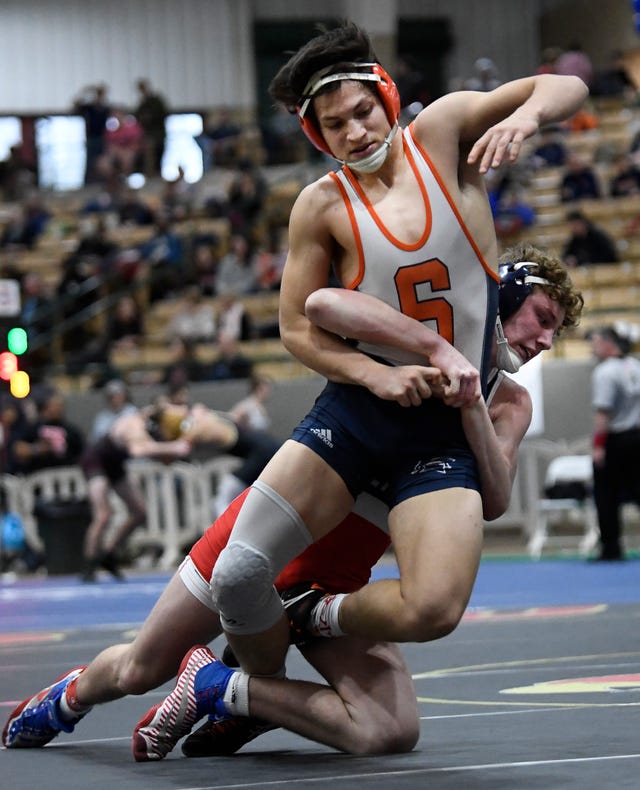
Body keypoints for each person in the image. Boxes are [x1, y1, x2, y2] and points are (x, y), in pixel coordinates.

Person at [1, 243, 583, 759]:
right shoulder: (415, 335)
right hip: (271, 533)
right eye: (543, 319)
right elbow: (320, 307)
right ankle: (67, 699)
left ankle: (229, 693)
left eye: (556, 332)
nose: (545, 341)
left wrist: (471, 402)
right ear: (504, 293)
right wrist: (427, 352)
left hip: (335, 580)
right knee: (140, 668)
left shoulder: (508, 401)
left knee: (389, 730)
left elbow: (496, 498)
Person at [204, 20, 588, 678]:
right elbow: (300, 324)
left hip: (431, 447)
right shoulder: (320, 204)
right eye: (335, 125)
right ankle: (94, 694)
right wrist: (370, 375)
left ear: (385, 96)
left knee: (430, 618)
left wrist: (525, 118)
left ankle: (260, 672)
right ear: (315, 136)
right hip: (360, 419)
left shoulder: (440, 133)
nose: (356, 132)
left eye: (363, 112)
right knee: (195, 612)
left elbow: (567, 84)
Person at [79, 407, 193, 582]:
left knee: (140, 512)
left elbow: (161, 456)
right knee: (104, 515)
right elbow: (137, 451)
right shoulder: (134, 424)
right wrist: (174, 447)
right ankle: (90, 563)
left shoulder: (148, 429)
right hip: (96, 461)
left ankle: (108, 554)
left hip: (115, 464)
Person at [588, 326, 640, 562]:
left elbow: (603, 413)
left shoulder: (605, 372)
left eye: (596, 342)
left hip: (617, 440)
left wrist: (598, 445)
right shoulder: (635, 366)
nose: (593, 348)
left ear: (609, 344)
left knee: (606, 495)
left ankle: (611, 547)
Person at [134, 78, 168, 177]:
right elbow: (138, 117)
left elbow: (162, 114)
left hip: (159, 134)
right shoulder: (142, 103)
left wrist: (150, 117)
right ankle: (151, 174)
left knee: (159, 155)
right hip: (149, 135)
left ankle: (157, 174)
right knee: (150, 156)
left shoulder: (156, 101)